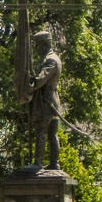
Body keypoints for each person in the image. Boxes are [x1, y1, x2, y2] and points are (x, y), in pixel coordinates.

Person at [29, 30, 62, 170]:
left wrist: (29, 80)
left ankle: (38, 163)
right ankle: (54, 163)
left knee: (41, 132)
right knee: (51, 134)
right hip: (51, 101)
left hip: (46, 103)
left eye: (37, 45)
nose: (36, 49)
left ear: (43, 45)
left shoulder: (51, 60)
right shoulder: (51, 58)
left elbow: (40, 80)